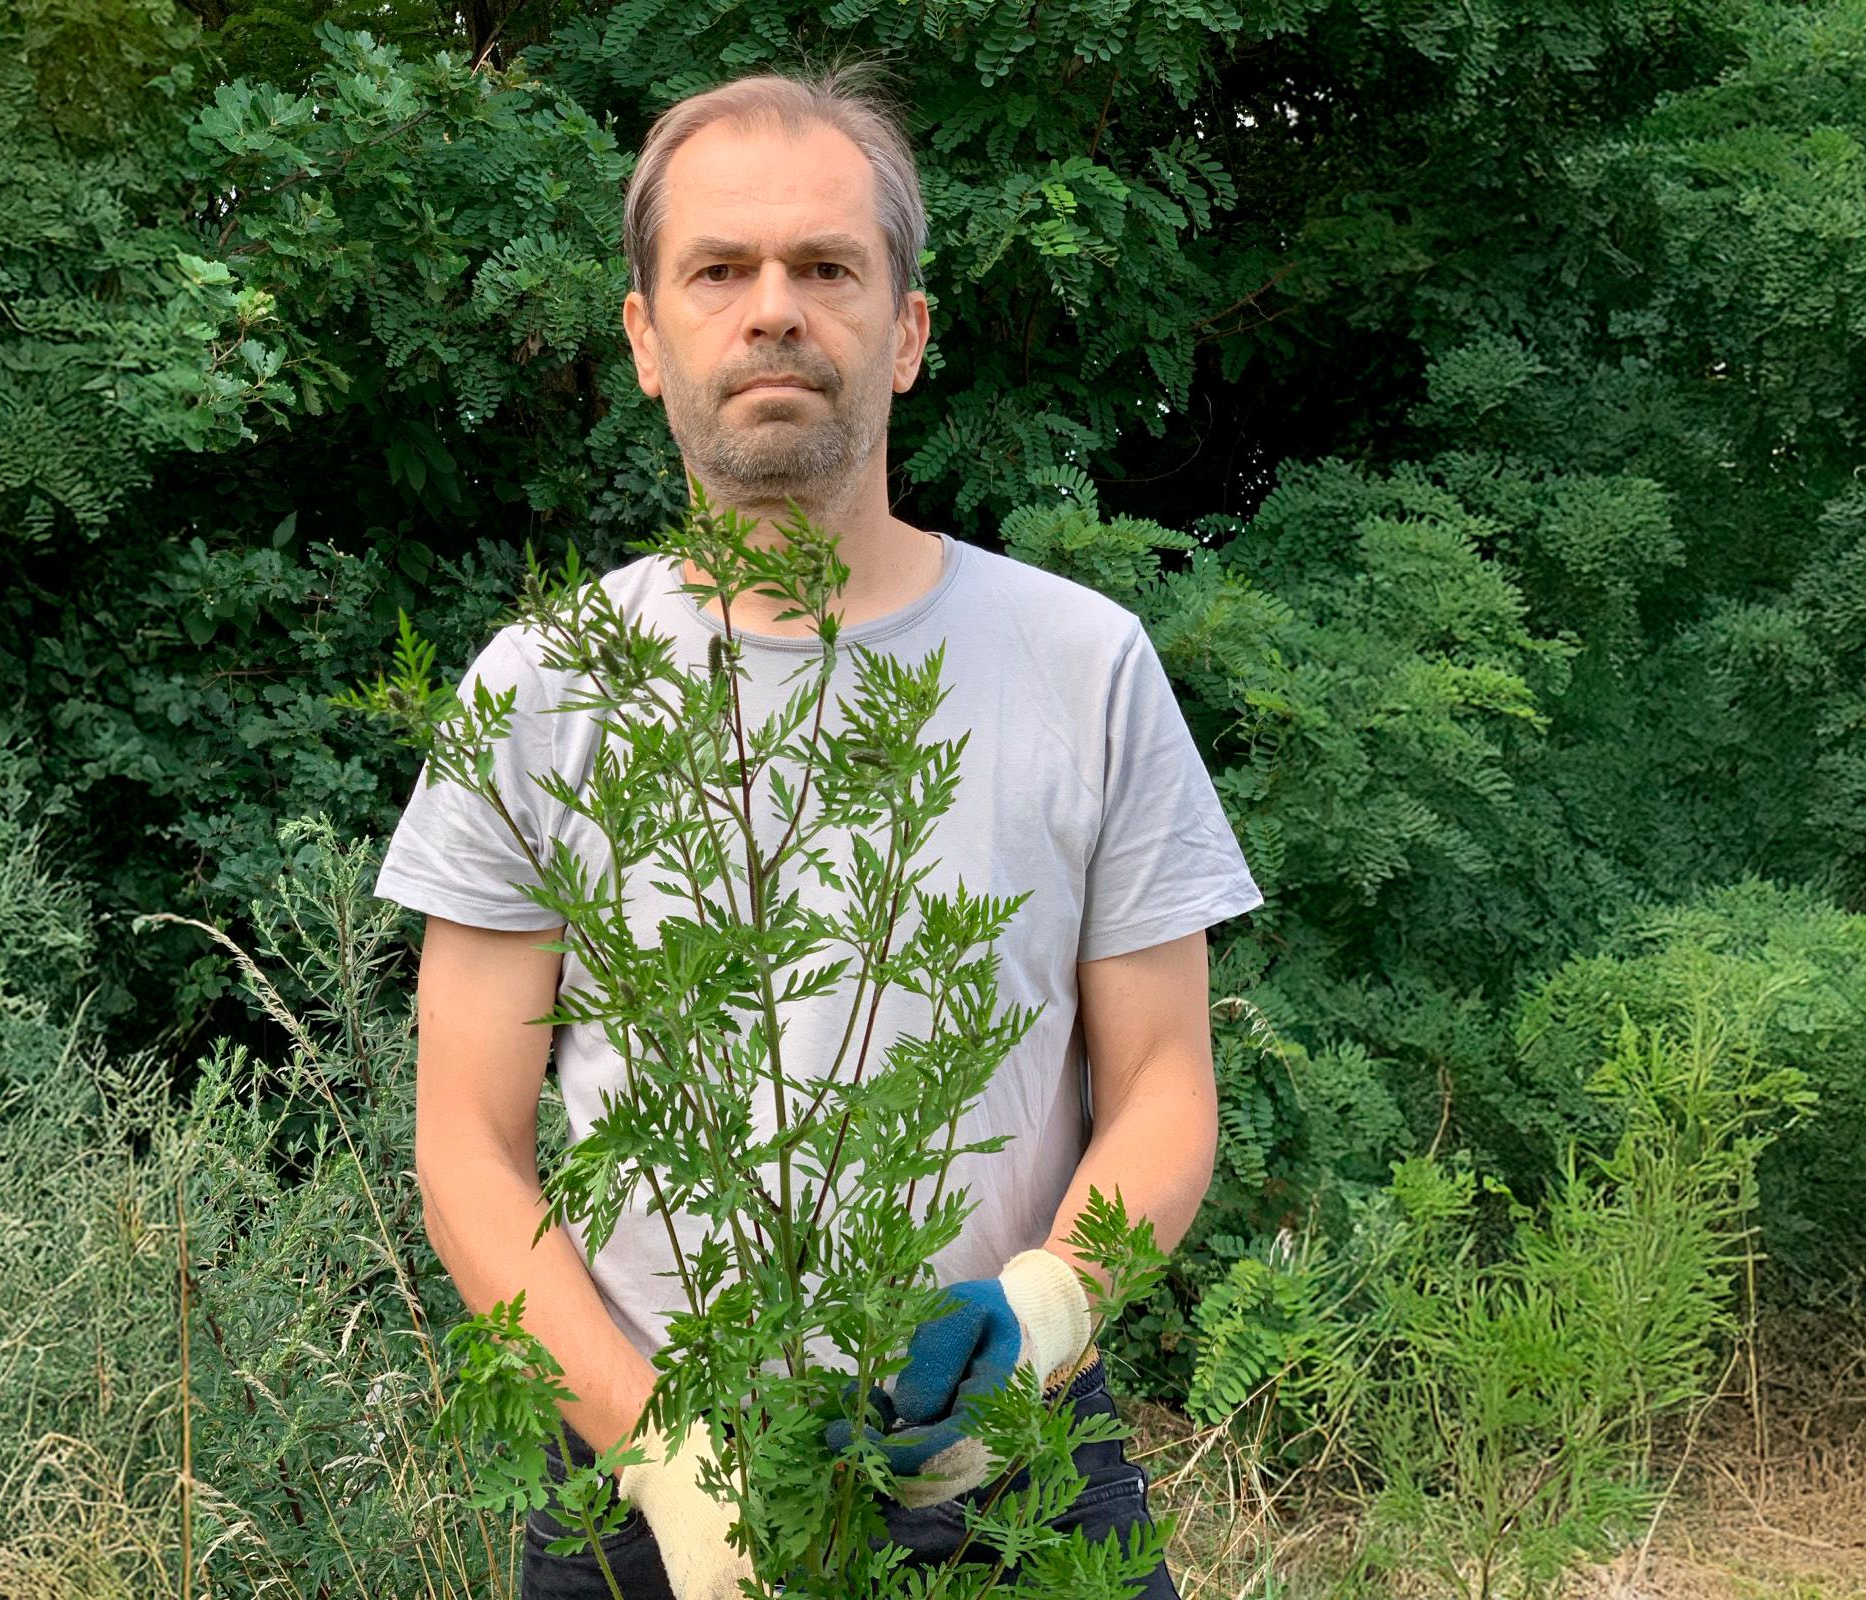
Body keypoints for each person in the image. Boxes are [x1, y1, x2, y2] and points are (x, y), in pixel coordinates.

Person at [373, 61, 1265, 1600]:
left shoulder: (1082, 660)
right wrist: (660, 1457)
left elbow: (1167, 1079)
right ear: (647, 339)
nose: (772, 308)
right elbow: (463, 1140)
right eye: (719, 270)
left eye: (826, 268)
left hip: (1020, 1473)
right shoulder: (537, 690)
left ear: (905, 334)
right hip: (644, 1484)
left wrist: (1049, 1304)